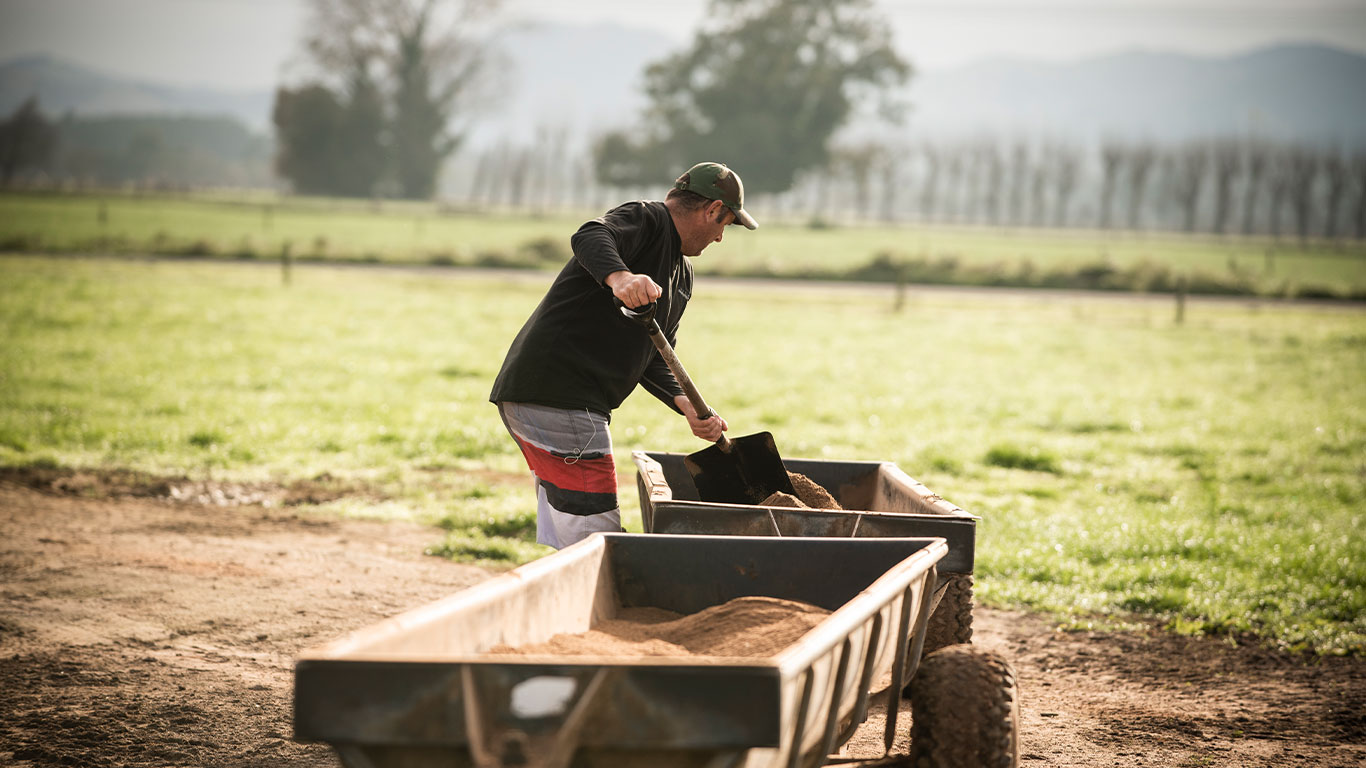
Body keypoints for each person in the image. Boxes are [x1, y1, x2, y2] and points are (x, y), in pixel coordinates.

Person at [490, 161, 758, 549]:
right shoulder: (648, 219)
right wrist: (621, 278)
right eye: (725, 225)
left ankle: (566, 600)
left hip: (567, 401)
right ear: (713, 209)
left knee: (576, 535)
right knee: (595, 538)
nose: (719, 238)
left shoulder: (681, 276)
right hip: (559, 395)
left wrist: (684, 403)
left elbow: (656, 353)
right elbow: (590, 235)